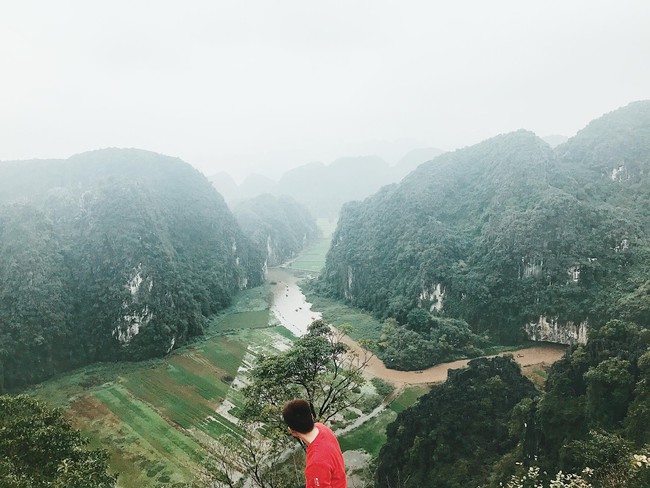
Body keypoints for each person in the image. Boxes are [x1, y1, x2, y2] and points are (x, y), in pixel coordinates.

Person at [282, 399, 347, 488]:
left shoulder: (316, 463)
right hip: (338, 481)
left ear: (291, 430)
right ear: (310, 417)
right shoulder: (322, 428)